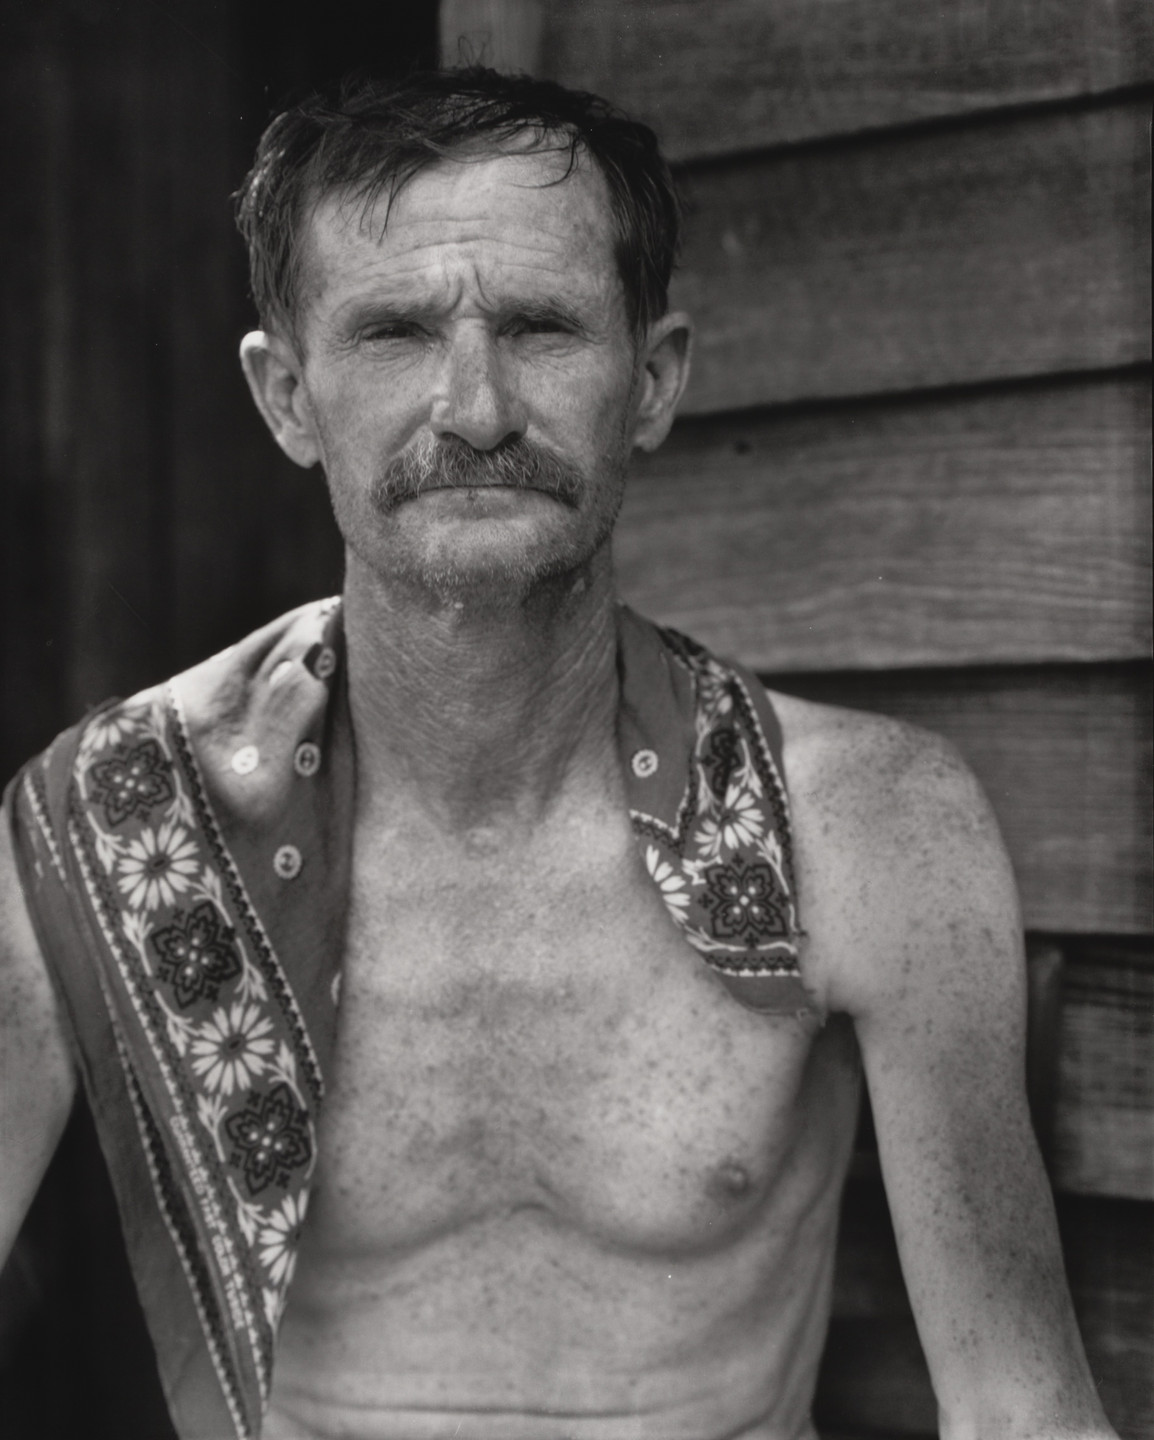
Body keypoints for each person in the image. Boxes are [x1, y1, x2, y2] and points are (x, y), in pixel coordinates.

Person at [0, 67, 1117, 1440]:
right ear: (288, 398)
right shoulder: (115, 820)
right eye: (396, 333)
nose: (472, 409)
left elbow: (1021, 1411)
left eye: (538, 327)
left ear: (650, 382)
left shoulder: (868, 827)